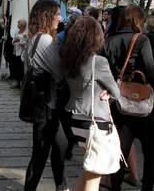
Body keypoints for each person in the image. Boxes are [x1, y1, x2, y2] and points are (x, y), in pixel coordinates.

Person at [104, 5, 154, 191]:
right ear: (138, 20)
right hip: (143, 105)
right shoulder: (141, 39)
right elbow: (151, 71)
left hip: (119, 103)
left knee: (120, 152)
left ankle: (116, 188)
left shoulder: (109, 40)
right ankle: (147, 188)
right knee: (152, 151)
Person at [61, 16, 120, 191]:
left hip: (75, 117)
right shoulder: (98, 62)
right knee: (95, 173)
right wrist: (111, 90)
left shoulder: (68, 59)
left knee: (90, 168)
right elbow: (116, 92)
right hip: (95, 119)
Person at [22, 0, 68, 191]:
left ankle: (61, 185)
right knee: (40, 152)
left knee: (60, 145)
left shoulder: (34, 38)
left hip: (43, 102)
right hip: (46, 103)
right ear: (47, 16)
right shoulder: (45, 40)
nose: (60, 18)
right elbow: (59, 72)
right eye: (57, 14)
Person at [11, 19, 27, 88]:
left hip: (21, 53)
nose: (18, 26)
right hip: (15, 52)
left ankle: (21, 83)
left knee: (21, 68)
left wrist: (19, 40)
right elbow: (13, 41)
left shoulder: (26, 33)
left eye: (19, 24)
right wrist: (15, 40)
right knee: (16, 67)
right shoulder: (17, 32)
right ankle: (17, 82)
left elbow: (26, 43)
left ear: (23, 26)